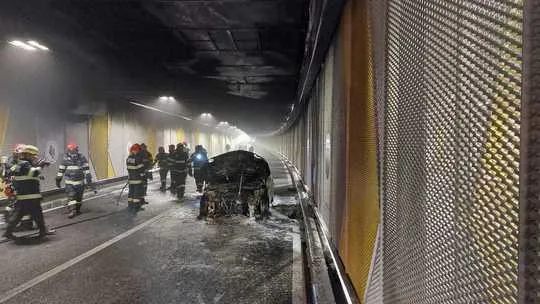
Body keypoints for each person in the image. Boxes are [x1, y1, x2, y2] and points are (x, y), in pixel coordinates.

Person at [3, 145, 54, 240]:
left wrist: (37, 167)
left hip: (23, 196)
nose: (35, 158)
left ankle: (8, 232)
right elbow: (32, 173)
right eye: (34, 156)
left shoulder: (21, 163)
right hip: (31, 196)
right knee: (38, 215)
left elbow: (28, 177)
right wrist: (40, 166)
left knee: (17, 216)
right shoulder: (25, 164)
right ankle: (43, 231)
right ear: (28, 155)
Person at [56, 144, 93, 218]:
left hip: (80, 183)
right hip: (70, 183)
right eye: (71, 151)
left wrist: (89, 182)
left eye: (75, 150)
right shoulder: (65, 159)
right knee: (71, 197)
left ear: (77, 150)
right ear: (69, 151)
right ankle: (72, 211)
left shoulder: (82, 158)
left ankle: (78, 210)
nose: (73, 153)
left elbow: (87, 171)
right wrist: (58, 180)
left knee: (79, 198)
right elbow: (61, 171)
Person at [126, 144, 145, 212]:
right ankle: (136, 206)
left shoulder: (128, 158)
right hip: (137, 179)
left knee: (131, 192)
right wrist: (143, 177)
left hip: (131, 179)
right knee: (137, 193)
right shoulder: (138, 158)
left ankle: (130, 205)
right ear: (137, 150)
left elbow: (129, 169)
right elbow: (141, 169)